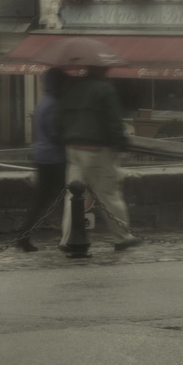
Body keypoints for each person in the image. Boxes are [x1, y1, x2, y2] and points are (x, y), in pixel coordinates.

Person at [58, 64, 142, 251]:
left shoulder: (72, 87)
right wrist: (121, 144)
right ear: (103, 71)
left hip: (73, 148)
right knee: (109, 195)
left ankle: (67, 239)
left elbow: (60, 118)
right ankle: (122, 237)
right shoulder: (105, 89)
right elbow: (113, 122)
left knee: (73, 195)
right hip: (96, 149)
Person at [16, 68, 67, 252]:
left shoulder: (43, 102)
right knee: (67, 199)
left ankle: (24, 236)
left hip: (42, 155)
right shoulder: (53, 104)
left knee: (41, 201)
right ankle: (70, 236)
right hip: (53, 158)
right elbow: (54, 132)